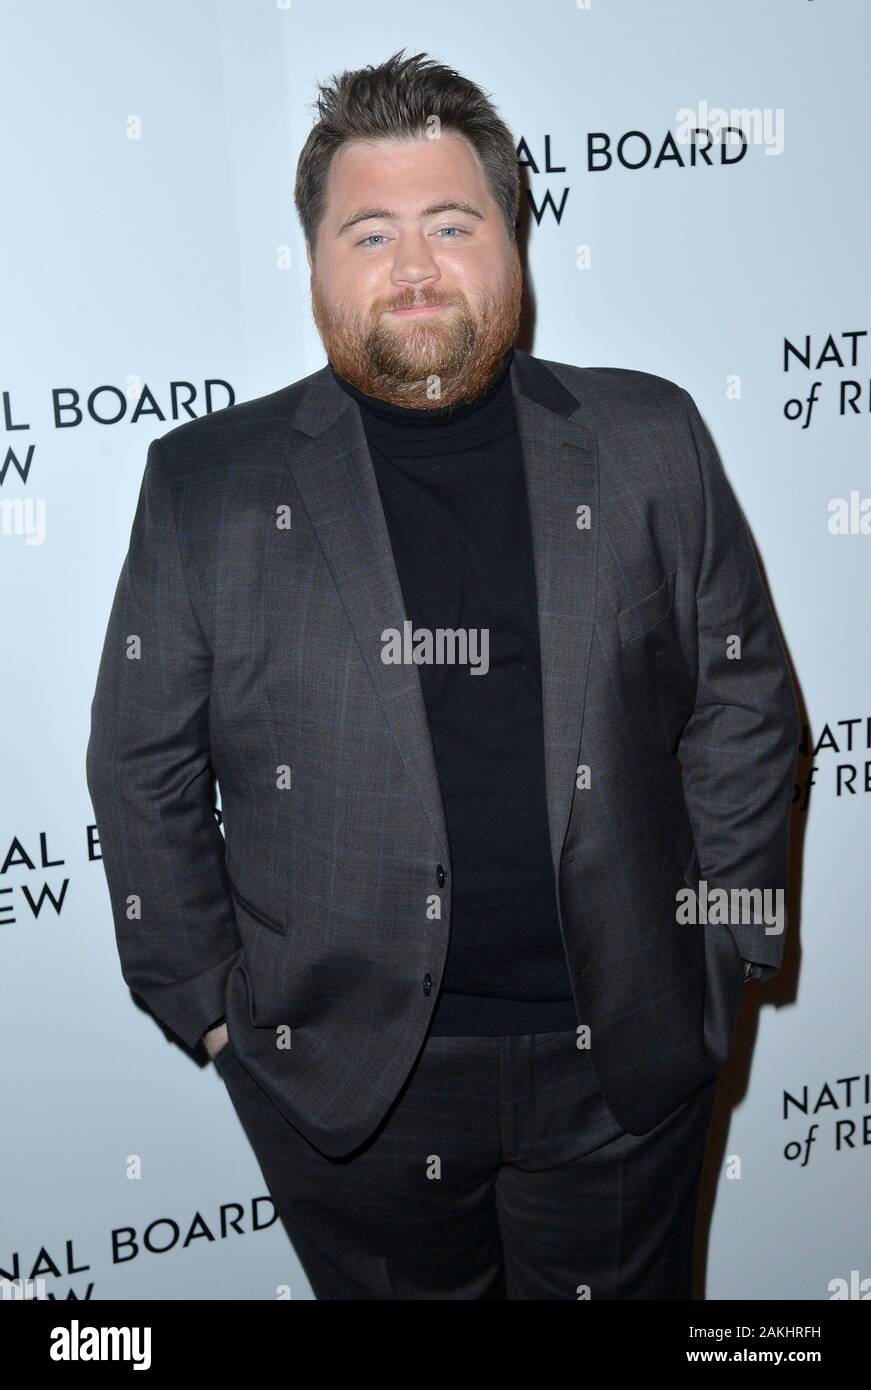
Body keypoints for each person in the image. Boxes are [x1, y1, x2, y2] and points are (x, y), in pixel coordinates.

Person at [86, 49, 800, 1300]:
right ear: (314, 266)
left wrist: (724, 953)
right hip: (349, 1084)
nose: (413, 267)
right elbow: (141, 765)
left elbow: (742, 703)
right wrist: (209, 1009)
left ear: (512, 237)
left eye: (450, 223)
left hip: (622, 1057)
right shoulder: (207, 482)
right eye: (369, 234)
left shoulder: (648, 437)